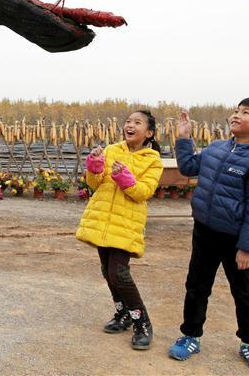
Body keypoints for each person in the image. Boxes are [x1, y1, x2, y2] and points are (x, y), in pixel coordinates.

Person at [167, 98, 249, 373]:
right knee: (196, 286)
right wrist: (184, 139)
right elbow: (189, 168)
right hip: (204, 231)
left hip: (235, 239)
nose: (236, 115)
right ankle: (191, 336)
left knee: (243, 291)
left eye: (245, 112)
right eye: (236, 110)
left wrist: (248, 248)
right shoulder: (217, 148)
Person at [75, 110, 164, 350]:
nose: (130, 125)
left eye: (137, 123)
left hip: (127, 223)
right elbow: (95, 184)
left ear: (149, 133)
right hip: (103, 220)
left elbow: (144, 192)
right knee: (107, 271)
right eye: (128, 121)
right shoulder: (112, 150)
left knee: (119, 273)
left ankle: (142, 323)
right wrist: (94, 166)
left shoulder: (152, 160)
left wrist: (127, 180)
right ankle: (123, 313)